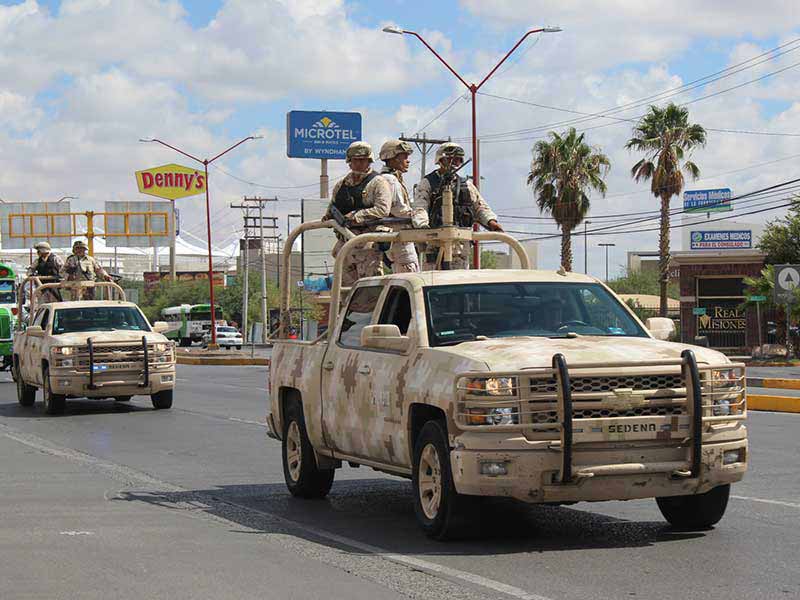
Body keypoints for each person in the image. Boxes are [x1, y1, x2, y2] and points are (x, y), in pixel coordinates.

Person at [412, 142, 504, 270]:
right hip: (435, 244)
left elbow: (480, 207)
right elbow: (419, 207)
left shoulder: (466, 185)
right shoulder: (428, 183)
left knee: (459, 279)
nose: (455, 163)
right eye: (451, 159)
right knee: (433, 279)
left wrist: (491, 221)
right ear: (440, 160)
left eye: (458, 160)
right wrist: (423, 226)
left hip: (460, 247)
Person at [324, 141, 392, 286]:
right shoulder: (342, 184)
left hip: (367, 243)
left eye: (364, 160)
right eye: (356, 160)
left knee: (369, 289)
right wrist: (329, 215)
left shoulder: (378, 182)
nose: (360, 164)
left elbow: (382, 209)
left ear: (369, 161)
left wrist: (356, 216)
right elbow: (333, 206)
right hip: (345, 243)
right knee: (345, 290)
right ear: (350, 162)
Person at [378, 139, 422, 274]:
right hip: (399, 237)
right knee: (409, 273)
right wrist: (419, 216)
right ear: (393, 158)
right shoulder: (390, 179)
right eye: (404, 157)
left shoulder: (390, 178)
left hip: (397, 236)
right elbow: (399, 209)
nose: (408, 161)